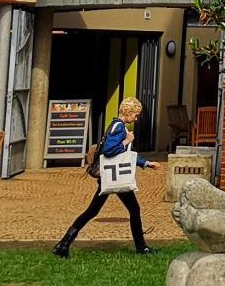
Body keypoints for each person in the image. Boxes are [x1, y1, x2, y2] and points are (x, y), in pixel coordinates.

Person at [53, 96, 158, 257]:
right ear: (128, 112)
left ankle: (63, 244)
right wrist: (126, 140)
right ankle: (141, 248)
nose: (136, 118)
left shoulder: (115, 125)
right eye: (136, 114)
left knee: (92, 211)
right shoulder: (119, 127)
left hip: (111, 175)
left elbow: (123, 155)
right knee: (133, 210)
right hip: (115, 175)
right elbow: (110, 150)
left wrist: (146, 163)